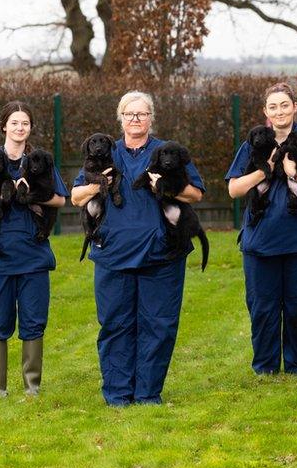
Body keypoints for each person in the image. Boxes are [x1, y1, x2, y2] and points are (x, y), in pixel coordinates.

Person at [71, 91, 205, 406]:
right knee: (116, 325)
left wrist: (164, 186)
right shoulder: (104, 151)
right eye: (130, 114)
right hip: (113, 254)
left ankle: (147, 393)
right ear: (121, 117)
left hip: (161, 254)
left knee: (158, 325)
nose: (135, 119)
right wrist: (97, 184)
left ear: (150, 118)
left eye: (142, 114)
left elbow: (195, 193)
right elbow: (76, 196)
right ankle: (117, 394)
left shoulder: (166, 151)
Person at [0, 101, 68, 396]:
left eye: (25, 123)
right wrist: (0, 193)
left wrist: (28, 194)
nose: (20, 128)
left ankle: (31, 387)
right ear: (4, 126)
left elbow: (60, 199)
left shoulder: (39, 160)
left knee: (34, 320)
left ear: (30, 128)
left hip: (33, 255)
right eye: (15, 122)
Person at [226, 83, 297, 375]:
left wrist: (294, 173)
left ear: (295, 106)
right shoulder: (254, 141)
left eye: (285, 104)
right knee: (262, 308)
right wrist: (265, 169)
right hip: (260, 241)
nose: (279, 111)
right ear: (265, 112)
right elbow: (234, 189)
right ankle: (265, 367)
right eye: (273, 106)